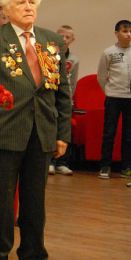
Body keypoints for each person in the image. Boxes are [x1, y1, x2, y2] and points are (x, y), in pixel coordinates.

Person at [0, 0, 70, 260]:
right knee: (0, 205)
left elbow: (62, 91)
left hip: (42, 133)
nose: (29, 7)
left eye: (32, 2)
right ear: (8, 10)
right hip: (4, 132)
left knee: (34, 204)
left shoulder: (51, 41)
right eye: (22, 3)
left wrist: (61, 134)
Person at [96, 20, 131, 180]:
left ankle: (126, 167)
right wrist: (110, 92)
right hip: (113, 99)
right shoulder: (109, 52)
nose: (129, 34)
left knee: (129, 135)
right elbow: (101, 77)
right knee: (109, 133)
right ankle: (105, 166)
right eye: (125, 31)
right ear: (117, 33)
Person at [50, 25, 78, 175]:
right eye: (61, 36)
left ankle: (63, 162)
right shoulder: (50, 56)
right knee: (52, 128)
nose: (64, 39)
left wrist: (70, 99)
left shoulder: (74, 60)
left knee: (65, 130)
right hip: (52, 97)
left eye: (68, 37)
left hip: (65, 99)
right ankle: (51, 162)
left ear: (72, 40)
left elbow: (72, 81)